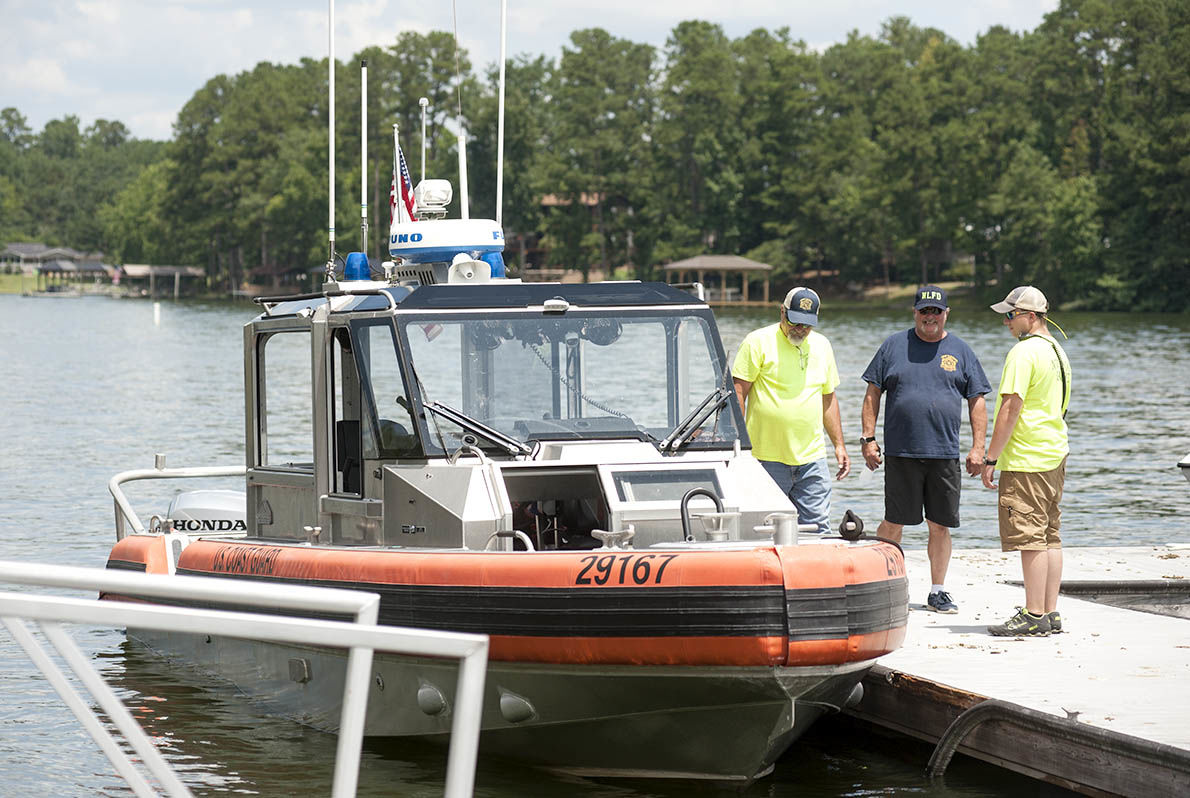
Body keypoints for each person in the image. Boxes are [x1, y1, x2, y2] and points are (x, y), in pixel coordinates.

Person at [860, 286, 990, 614]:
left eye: (936, 311)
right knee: (893, 522)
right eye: (924, 311)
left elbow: (977, 400)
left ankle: (938, 590)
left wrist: (978, 448)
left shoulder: (961, 350)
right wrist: (868, 439)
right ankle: (884, 585)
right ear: (914, 312)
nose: (929, 317)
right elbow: (873, 393)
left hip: (944, 454)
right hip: (901, 452)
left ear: (946, 313)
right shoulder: (893, 345)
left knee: (940, 525)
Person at [981, 286, 1071, 637]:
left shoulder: (1024, 352)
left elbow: (1010, 407)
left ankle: (1033, 615)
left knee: (1029, 536)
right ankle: (1050, 612)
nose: (1005, 322)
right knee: (1050, 535)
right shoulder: (1057, 350)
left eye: (1010, 315)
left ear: (1029, 317)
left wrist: (991, 457)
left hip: (1027, 458)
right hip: (1054, 453)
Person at [732, 287, 851, 534]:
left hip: (812, 459)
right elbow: (738, 394)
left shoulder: (823, 346)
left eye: (807, 325)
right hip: (766, 458)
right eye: (795, 322)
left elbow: (828, 398)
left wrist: (839, 445)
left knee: (817, 530)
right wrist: (738, 446)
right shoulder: (757, 342)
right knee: (764, 532)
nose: (800, 329)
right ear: (782, 312)